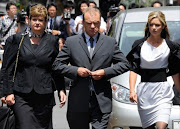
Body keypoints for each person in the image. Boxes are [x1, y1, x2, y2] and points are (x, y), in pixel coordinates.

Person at [53, 7, 130, 129]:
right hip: (78, 101)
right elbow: (57, 65)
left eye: (96, 23)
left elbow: (124, 64)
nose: (93, 26)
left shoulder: (109, 42)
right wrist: (76, 70)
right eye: (89, 23)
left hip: (101, 101)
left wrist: (105, 72)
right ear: (83, 23)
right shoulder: (72, 42)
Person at [1, 4, 66, 129]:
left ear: (46, 21)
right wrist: (7, 92)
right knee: (26, 126)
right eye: (34, 19)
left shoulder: (52, 41)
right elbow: (7, 68)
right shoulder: (16, 40)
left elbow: (56, 68)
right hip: (21, 95)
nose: (37, 23)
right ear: (28, 20)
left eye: (40, 20)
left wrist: (61, 90)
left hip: (44, 95)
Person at [127, 11, 180, 129]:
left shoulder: (170, 46)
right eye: (151, 25)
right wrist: (132, 91)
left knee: (161, 126)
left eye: (157, 25)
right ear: (148, 26)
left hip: (163, 91)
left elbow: (175, 71)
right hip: (145, 92)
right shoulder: (139, 45)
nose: (154, 28)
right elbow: (134, 69)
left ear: (163, 26)